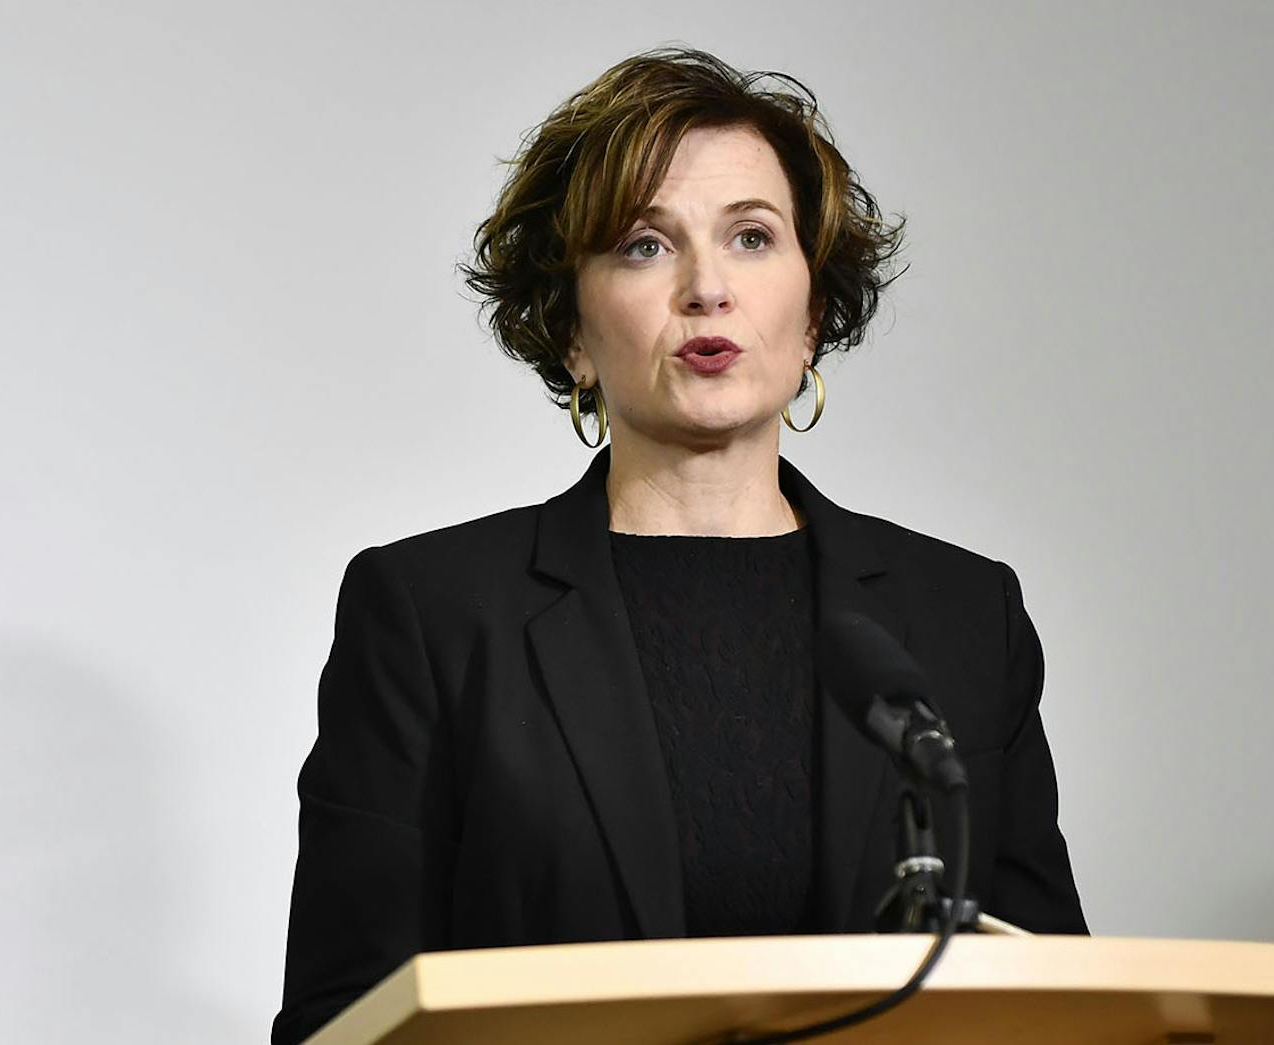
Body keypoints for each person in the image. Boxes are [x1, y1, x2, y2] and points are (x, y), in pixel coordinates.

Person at [274, 49, 1085, 1043]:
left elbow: (1054, 1000)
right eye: (643, 246)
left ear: (815, 310)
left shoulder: (963, 615)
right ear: (570, 328)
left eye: (751, 236)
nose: (707, 288)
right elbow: (341, 1017)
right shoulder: (431, 611)